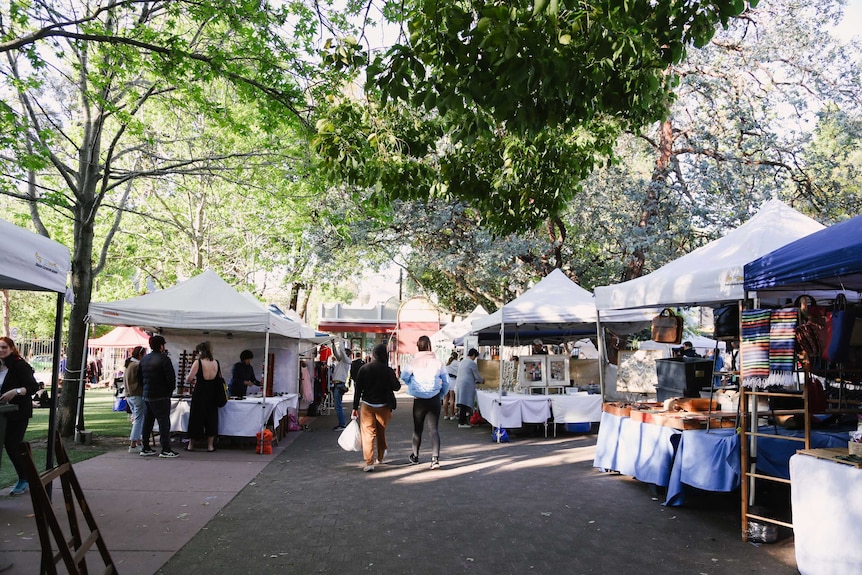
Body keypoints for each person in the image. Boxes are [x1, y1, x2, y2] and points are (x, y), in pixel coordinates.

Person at [400, 335, 449, 470]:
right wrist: (442, 394)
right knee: (434, 430)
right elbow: (446, 382)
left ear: (418, 346)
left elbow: (403, 376)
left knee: (418, 429)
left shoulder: (413, 362)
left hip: (419, 400)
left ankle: (415, 456)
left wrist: (413, 385)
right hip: (434, 398)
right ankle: (435, 459)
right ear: (429, 346)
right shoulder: (438, 362)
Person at [351, 344, 401, 472]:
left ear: (373, 354)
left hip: (367, 405)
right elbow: (396, 387)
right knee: (381, 432)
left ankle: (369, 462)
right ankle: (380, 457)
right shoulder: (388, 370)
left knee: (368, 434)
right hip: (384, 406)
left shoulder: (364, 369)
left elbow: (358, 390)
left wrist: (354, 407)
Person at [0, 337, 39, 495]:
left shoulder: (19, 365)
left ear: (11, 348)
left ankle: (24, 478)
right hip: (3, 413)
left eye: (4, 347)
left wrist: (15, 391)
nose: (1, 350)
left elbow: (32, 387)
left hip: (18, 412)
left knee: (12, 444)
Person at [139, 335, 179, 458]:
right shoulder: (164, 359)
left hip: (147, 394)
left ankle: (145, 446)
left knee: (147, 421)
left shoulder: (144, 359)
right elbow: (171, 378)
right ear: (161, 346)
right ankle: (165, 448)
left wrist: (145, 389)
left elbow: (139, 377)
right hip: (161, 395)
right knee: (163, 422)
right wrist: (169, 391)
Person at [185, 341, 222, 452]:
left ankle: (191, 445)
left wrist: (189, 377)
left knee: (196, 417)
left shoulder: (198, 362)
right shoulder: (216, 362)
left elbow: (189, 378)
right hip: (213, 392)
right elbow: (219, 378)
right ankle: (210, 446)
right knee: (211, 418)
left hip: (200, 391)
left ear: (200, 351)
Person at [124, 345, 146, 452]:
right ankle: (133, 444)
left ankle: (137, 441)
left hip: (129, 395)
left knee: (137, 420)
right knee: (138, 420)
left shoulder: (129, 365)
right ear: (141, 355)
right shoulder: (137, 365)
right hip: (137, 394)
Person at [455, 348, 484, 428]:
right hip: (467, 385)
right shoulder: (472, 363)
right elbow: (477, 376)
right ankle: (462, 422)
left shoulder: (462, 361)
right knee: (465, 403)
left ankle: (463, 421)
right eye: (475, 357)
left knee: (462, 403)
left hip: (460, 384)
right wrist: (482, 380)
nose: (475, 358)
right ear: (473, 355)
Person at [330, 340, 351, 431]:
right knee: (338, 405)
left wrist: (340, 341)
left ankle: (342, 424)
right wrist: (333, 344)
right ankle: (341, 423)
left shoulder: (346, 361)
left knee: (338, 406)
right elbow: (336, 353)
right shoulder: (342, 361)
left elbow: (341, 352)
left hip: (339, 385)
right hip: (338, 385)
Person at [443, 351, 460, 420]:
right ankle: (452, 415)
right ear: (456, 357)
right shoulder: (457, 363)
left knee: (446, 399)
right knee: (452, 398)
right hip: (453, 381)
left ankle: (445, 415)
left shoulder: (447, 364)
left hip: (446, 381)